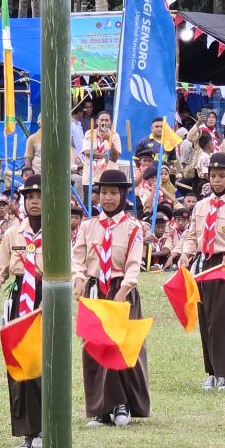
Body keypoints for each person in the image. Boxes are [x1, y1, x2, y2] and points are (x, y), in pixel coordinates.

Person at [72, 168, 150, 426]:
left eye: (113, 193)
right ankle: (100, 408)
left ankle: (121, 404)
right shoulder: (88, 226)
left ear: (123, 195)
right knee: (94, 347)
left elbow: (134, 263)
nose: (108, 198)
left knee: (120, 346)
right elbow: (77, 258)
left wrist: (124, 290)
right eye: (103, 192)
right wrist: (79, 278)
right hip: (95, 289)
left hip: (120, 290)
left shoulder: (132, 228)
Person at [177, 153, 225, 390]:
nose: (217, 181)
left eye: (222, 176)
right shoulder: (201, 206)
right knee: (208, 318)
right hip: (204, 266)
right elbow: (192, 236)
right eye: (213, 176)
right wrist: (185, 253)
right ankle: (212, 370)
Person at [0, 174, 45, 448]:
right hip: (20, 299)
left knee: (45, 365)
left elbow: (69, 268)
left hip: (47, 298)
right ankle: (27, 432)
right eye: (29, 197)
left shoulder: (58, 232)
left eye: (40, 196)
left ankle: (46, 428)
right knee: (19, 365)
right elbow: (1, 268)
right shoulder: (13, 234)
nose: (34, 202)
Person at [83, 111, 122, 181]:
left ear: (110, 122)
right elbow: (87, 152)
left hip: (108, 175)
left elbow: (115, 158)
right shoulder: (89, 133)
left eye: (107, 120)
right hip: (90, 177)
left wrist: (109, 140)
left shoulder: (115, 136)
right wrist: (106, 156)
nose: (104, 123)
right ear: (97, 121)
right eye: (101, 120)